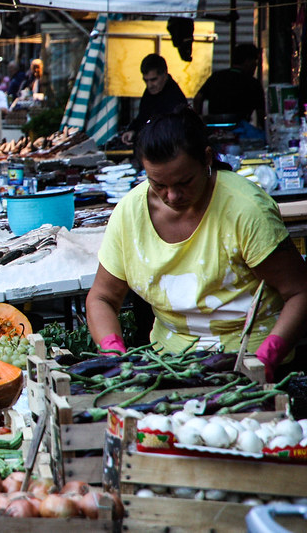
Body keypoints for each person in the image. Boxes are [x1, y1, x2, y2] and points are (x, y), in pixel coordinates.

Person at [86, 109, 307, 381]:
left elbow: (300, 292)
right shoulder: (130, 213)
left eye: (184, 182)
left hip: (248, 364)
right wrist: (114, 355)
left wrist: (268, 357)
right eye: (158, 184)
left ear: (206, 158)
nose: (172, 196)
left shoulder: (246, 210)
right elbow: (102, 298)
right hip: (168, 368)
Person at [120, 53, 188, 146]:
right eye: (145, 80)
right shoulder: (150, 92)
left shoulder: (176, 99)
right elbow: (143, 117)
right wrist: (133, 131)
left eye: (153, 80)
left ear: (165, 75)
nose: (149, 85)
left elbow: (169, 132)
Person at [193, 43, 266, 127]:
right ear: (248, 61)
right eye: (255, 63)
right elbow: (261, 114)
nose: (255, 67)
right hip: (241, 129)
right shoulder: (253, 83)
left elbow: (198, 98)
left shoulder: (216, 77)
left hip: (215, 129)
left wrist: (198, 122)